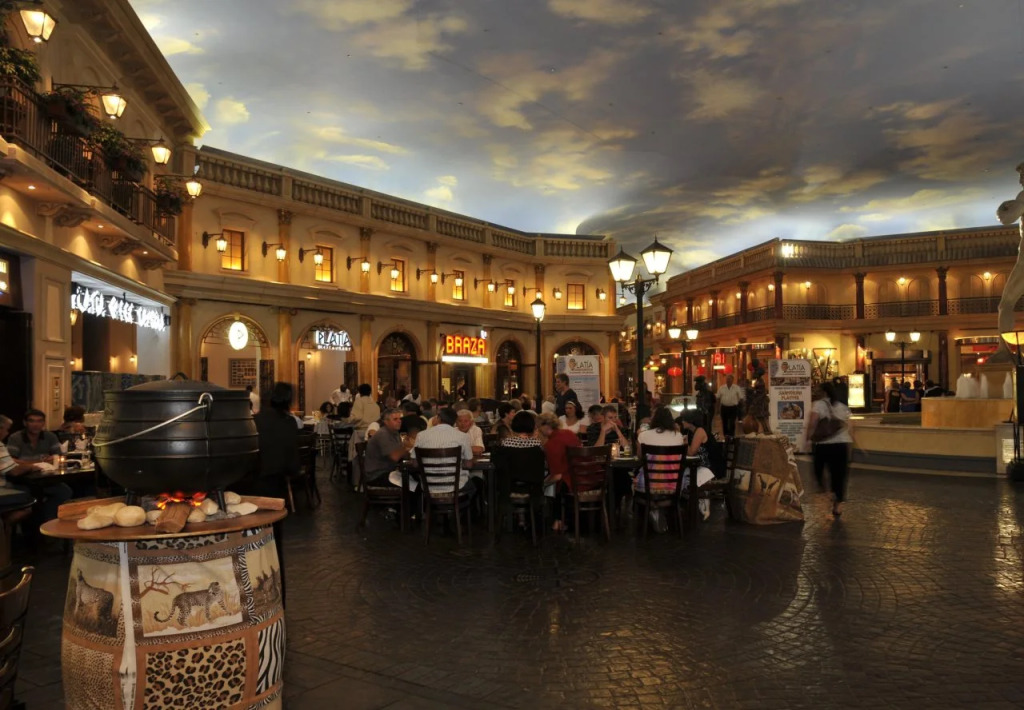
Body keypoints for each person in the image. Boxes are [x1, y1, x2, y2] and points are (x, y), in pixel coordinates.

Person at [1, 413, 71, 522]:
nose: (36, 424)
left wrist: (51, 459)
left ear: (43, 423)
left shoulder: (50, 436)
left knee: (63, 491)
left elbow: (58, 456)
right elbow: (13, 466)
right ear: (25, 423)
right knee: (33, 496)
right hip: (17, 482)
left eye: (39, 421)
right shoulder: (15, 437)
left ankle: (48, 521)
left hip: (43, 478)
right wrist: (36, 464)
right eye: (32, 421)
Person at [805, 381, 853, 518]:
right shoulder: (842, 407)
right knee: (839, 474)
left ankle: (827, 490)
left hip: (823, 444)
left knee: (818, 469)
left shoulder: (818, 405)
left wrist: (808, 438)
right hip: (842, 445)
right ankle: (837, 504)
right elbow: (850, 426)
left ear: (824, 392)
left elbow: (812, 422)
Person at [249, 383, 300, 499]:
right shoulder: (290, 422)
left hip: (257, 474)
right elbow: (292, 457)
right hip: (279, 475)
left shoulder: (255, 420)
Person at [676, 409, 716, 520]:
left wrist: (683, 442)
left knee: (682, 474)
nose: (682, 422)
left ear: (690, 421)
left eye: (684, 419)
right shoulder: (690, 432)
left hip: (708, 466)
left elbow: (691, 452)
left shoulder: (700, 431)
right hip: (696, 465)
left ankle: (701, 501)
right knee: (680, 473)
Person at [363, 408, 417, 487]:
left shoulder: (394, 433)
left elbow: (402, 455)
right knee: (414, 485)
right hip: (377, 475)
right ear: (386, 422)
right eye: (395, 419)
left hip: (389, 472)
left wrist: (410, 452)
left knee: (416, 480)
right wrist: (406, 446)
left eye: (400, 419)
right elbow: (394, 457)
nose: (399, 421)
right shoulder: (383, 434)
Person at [717, 374, 745, 438]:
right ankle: (726, 436)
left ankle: (731, 436)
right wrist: (717, 409)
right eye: (727, 379)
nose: (728, 380)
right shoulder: (721, 388)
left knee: (732, 422)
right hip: (724, 407)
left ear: (732, 380)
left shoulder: (736, 388)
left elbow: (741, 398)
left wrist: (742, 408)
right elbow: (718, 398)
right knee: (724, 422)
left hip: (733, 408)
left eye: (729, 379)